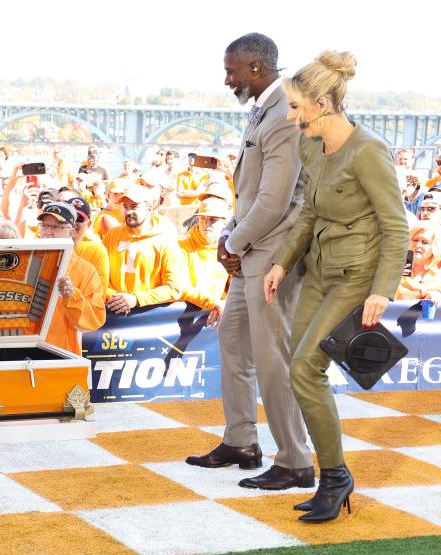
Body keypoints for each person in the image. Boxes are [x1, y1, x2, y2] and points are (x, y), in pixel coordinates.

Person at [264, 51, 408, 523]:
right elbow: (308, 212)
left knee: (305, 369)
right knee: (300, 371)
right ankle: (333, 475)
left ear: (323, 103)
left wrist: (382, 290)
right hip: (319, 274)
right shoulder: (310, 146)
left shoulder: (368, 151)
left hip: (356, 279)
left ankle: (334, 476)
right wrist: (283, 263)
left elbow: (395, 226)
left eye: (296, 107)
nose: (290, 116)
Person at [186, 33, 314, 494]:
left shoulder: (283, 114)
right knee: (234, 343)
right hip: (250, 251)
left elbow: (275, 200)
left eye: (232, 70)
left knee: (272, 359)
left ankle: (296, 461)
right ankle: (241, 442)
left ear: (257, 67)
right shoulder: (266, 106)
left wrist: (232, 243)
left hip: (272, 255)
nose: (227, 79)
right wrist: (234, 240)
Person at [102, 184, 186, 314]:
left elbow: (174, 287)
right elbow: (99, 276)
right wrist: (114, 296)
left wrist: (136, 299)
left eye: (134, 207)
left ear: (149, 208)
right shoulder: (111, 236)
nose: (128, 212)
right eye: (125, 207)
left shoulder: (165, 240)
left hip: (147, 318)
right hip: (113, 315)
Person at [37, 202, 105, 355]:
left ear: (71, 231)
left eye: (56, 227)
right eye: (44, 226)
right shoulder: (27, 261)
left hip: (60, 354)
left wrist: (71, 296)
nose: (48, 232)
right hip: (21, 352)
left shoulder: (86, 270)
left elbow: (94, 320)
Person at [179, 189, 232, 327]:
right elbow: (179, 286)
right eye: (203, 218)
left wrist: (225, 302)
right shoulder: (181, 247)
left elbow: (236, 285)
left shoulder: (231, 248)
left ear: (224, 222)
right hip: (184, 314)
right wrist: (213, 303)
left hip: (217, 315)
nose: (206, 224)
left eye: (213, 220)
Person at [396, 222, 441, 303]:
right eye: (415, 240)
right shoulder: (399, 263)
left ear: (435, 246)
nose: (418, 245)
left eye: (425, 242)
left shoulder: (439, 268)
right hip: (397, 313)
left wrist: (437, 295)